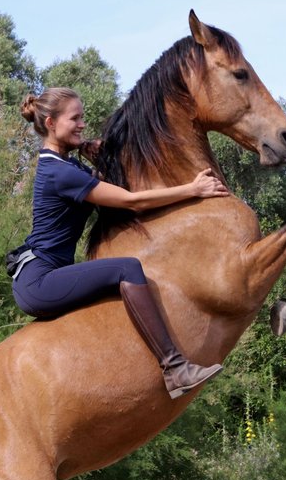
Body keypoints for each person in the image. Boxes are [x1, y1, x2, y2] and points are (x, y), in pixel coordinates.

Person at [12, 87, 229, 399]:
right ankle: (175, 367)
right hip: (38, 281)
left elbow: (108, 189)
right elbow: (131, 202)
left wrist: (97, 158)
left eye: (82, 118)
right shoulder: (59, 172)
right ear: (50, 123)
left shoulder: (67, 166)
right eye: (75, 119)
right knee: (127, 269)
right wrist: (193, 190)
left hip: (42, 275)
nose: (82, 124)